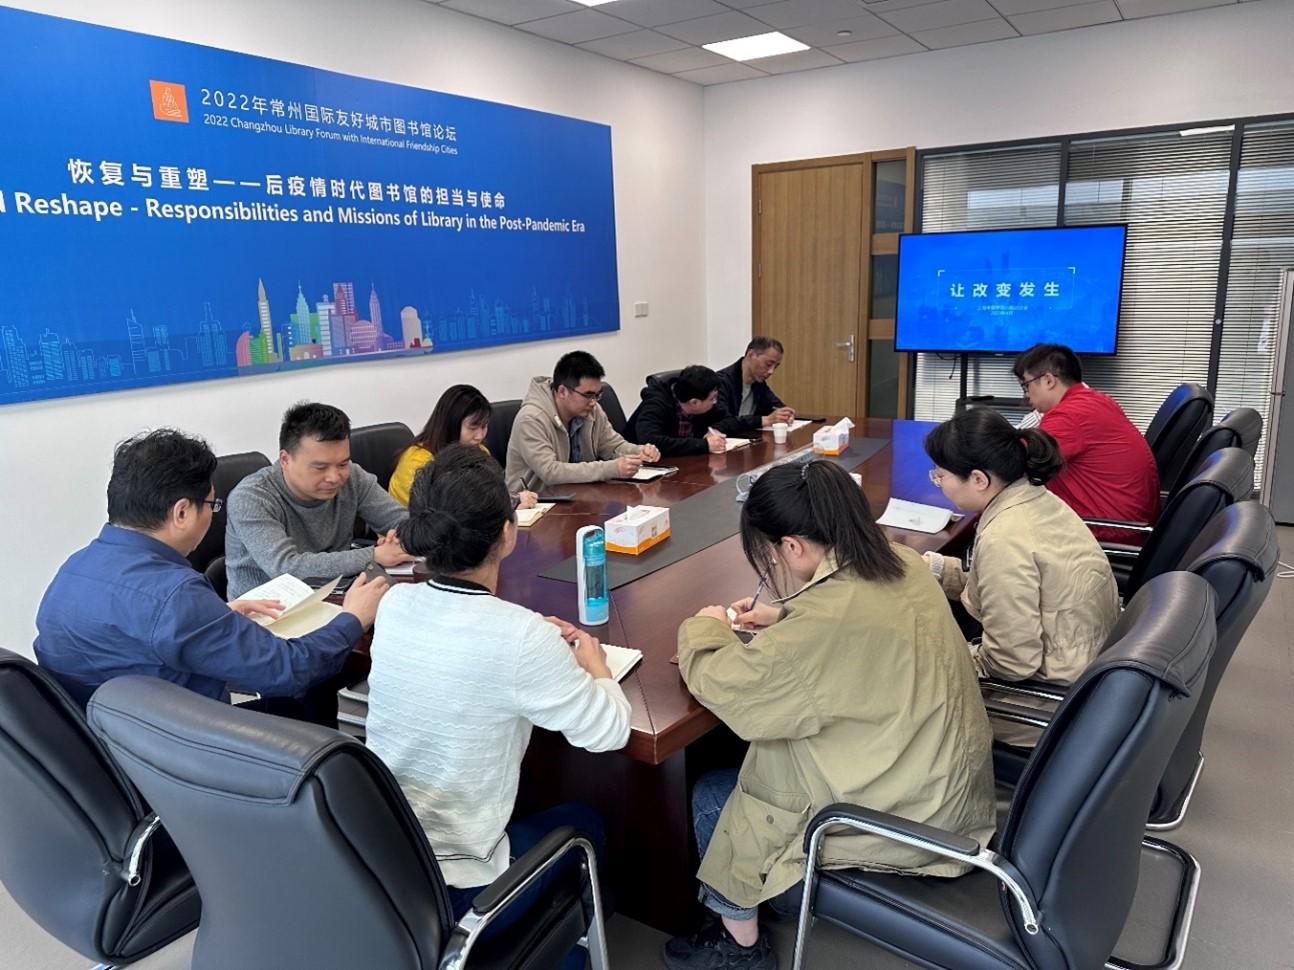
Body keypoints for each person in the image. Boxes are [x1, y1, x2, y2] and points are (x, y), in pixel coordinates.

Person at [665, 460, 996, 970]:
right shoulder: (903, 562)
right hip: (947, 796)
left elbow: (727, 687)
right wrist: (787, 615)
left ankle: (740, 950)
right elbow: (859, 623)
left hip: (903, 826)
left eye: (769, 555)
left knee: (714, 794)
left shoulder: (824, 624)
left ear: (792, 546)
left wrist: (704, 626)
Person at [365, 445, 630, 969]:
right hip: (459, 891)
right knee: (585, 823)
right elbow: (611, 731)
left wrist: (532, 644)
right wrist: (594, 663)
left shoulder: (393, 603)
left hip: (383, 866)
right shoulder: (521, 638)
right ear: (508, 534)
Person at [34, 429, 387, 723]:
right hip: (179, 752)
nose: (211, 515)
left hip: (105, 744)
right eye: (211, 505)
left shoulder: (74, 569)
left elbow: (137, 636)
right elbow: (289, 670)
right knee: (295, 704)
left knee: (286, 709)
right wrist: (353, 617)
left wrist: (217, 617)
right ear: (182, 513)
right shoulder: (176, 594)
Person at [923, 409, 1119, 741]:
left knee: (910, 680)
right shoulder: (1034, 498)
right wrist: (936, 569)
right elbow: (1008, 588)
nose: (938, 482)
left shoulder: (1004, 538)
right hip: (1084, 666)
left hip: (1044, 702)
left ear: (979, 479)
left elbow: (1012, 663)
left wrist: (944, 657)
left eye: (940, 475)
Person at [224, 401, 415, 600]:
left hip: (334, 595)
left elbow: (405, 522)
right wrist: (374, 555)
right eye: (320, 468)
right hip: (267, 611)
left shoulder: (352, 477)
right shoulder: (251, 498)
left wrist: (400, 538)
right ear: (285, 460)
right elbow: (286, 568)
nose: (334, 477)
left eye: (343, 464)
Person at [1013, 343, 1160, 529]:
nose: (1026, 395)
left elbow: (1013, 461)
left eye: (1026, 385)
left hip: (1106, 529)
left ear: (1049, 381)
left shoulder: (1070, 415)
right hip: (1125, 520)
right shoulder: (1096, 400)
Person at [504, 350, 660, 493]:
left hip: (579, 496)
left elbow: (613, 446)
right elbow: (551, 472)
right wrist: (611, 469)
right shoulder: (531, 419)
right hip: (535, 505)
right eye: (588, 395)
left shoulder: (591, 410)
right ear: (563, 392)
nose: (593, 402)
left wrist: (639, 452)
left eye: (597, 395)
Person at [387, 383, 538, 509]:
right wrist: (509, 505)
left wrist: (510, 501)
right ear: (450, 424)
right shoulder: (418, 461)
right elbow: (444, 513)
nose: (479, 436)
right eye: (472, 428)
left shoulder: (479, 451)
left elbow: (490, 497)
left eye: (484, 426)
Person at [625, 364, 746, 457]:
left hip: (684, 463)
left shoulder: (702, 400)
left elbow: (731, 420)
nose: (715, 402)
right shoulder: (656, 404)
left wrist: (715, 430)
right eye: (712, 398)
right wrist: (704, 445)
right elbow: (650, 442)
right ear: (694, 403)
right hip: (641, 467)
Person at [716, 336, 796, 432]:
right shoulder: (720, 382)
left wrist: (786, 414)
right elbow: (723, 422)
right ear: (751, 355)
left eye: (775, 367)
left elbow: (775, 405)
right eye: (768, 364)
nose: (771, 371)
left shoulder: (758, 383)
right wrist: (763, 420)